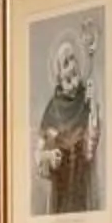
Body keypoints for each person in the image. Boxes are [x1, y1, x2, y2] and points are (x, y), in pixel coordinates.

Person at [35, 34, 99, 213]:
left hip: (83, 189)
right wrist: (48, 156)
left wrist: (93, 105)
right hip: (59, 195)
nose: (72, 65)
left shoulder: (86, 100)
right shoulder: (52, 108)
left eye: (73, 59)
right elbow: (38, 154)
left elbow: (90, 149)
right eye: (65, 63)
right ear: (59, 77)